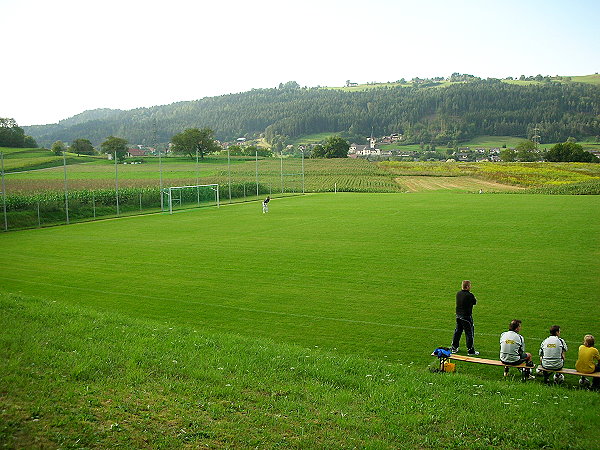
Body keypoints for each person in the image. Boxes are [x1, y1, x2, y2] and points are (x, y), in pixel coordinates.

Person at [451, 280, 479, 356]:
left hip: (458, 315)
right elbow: (474, 302)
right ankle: (470, 350)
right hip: (466, 316)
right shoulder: (469, 295)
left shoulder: (458, 294)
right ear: (467, 287)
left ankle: (454, 347)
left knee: (458, 331)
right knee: (469, 333)